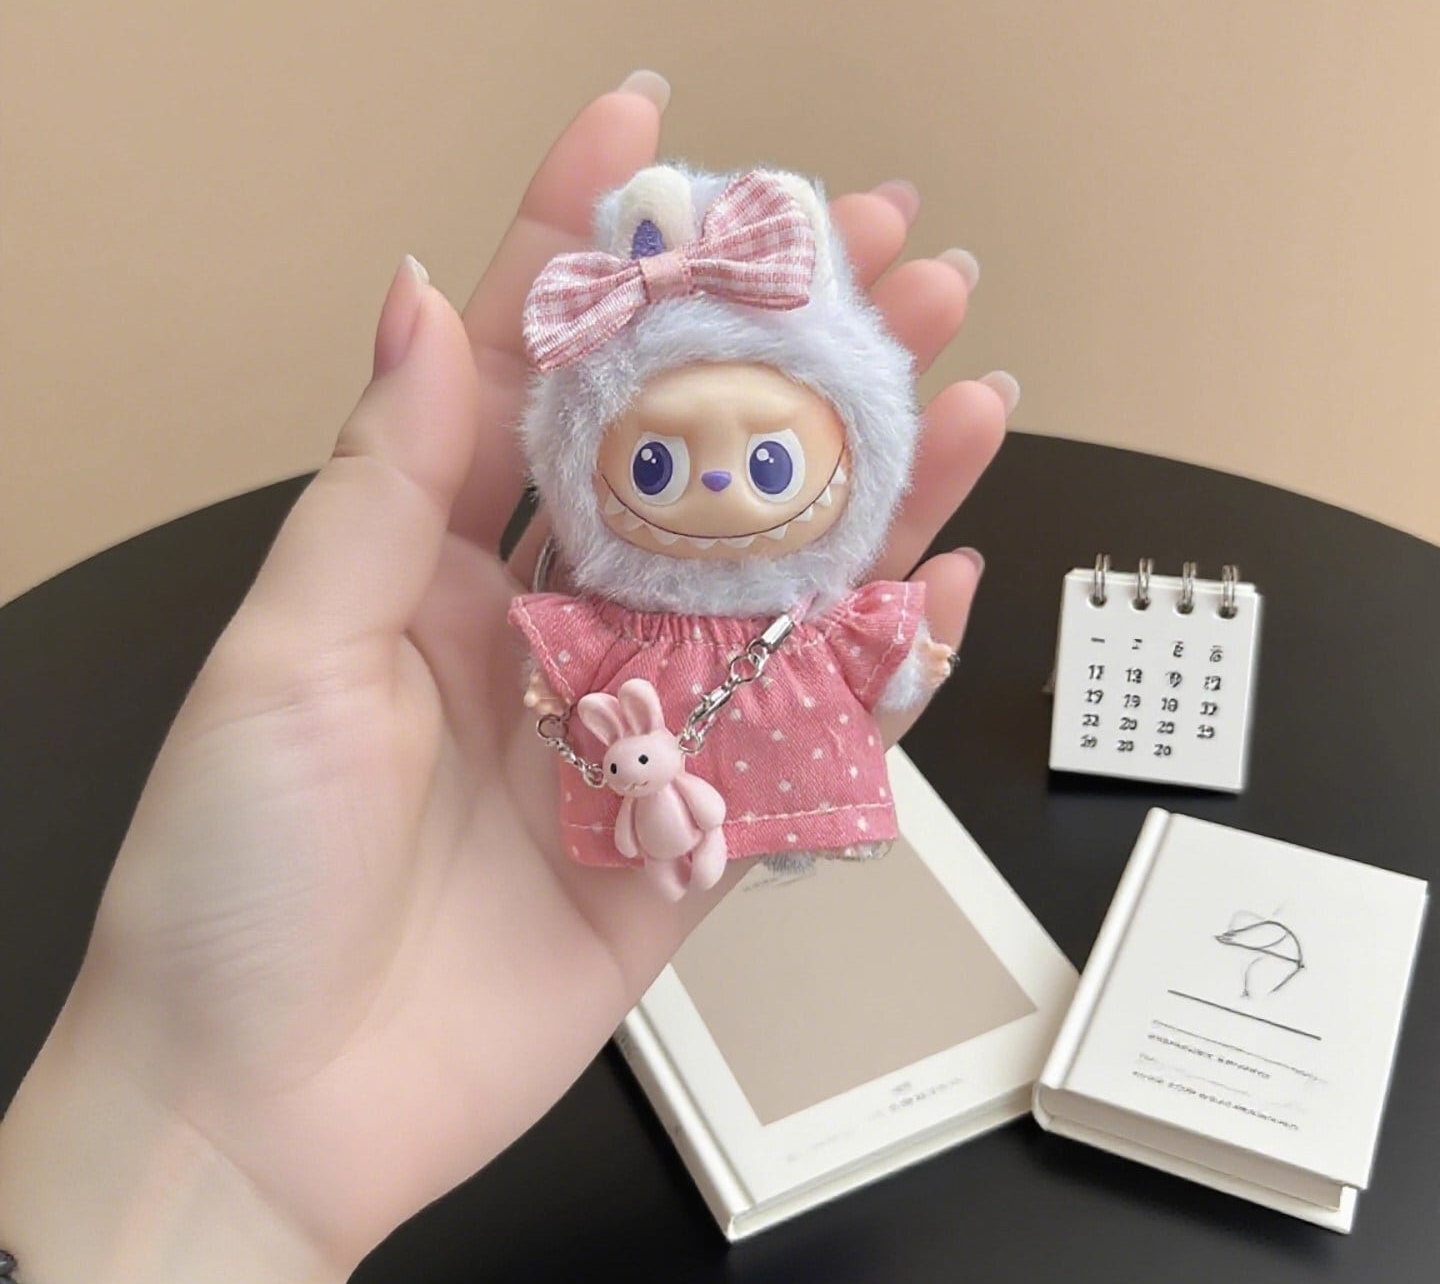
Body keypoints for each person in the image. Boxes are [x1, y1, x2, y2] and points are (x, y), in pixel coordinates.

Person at [0, 71, 1014, 1282]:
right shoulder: (605, 638)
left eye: (770, 460)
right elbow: (563, 688)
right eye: (655, 464)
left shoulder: (800, 614)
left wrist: (904, 657)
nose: (721, 487)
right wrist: (185, 1109)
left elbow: (869, 646)